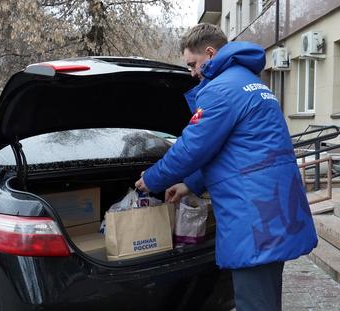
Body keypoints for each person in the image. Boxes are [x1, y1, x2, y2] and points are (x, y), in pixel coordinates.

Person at [135, 23, 318, 311]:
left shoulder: (221, 90)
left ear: (209, 53)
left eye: (192, 64)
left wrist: (152, 179)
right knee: (266, 297)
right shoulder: (249, 82)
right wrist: (190, 184)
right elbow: (235, 150)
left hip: (253, 215)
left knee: (254, 303)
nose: (192, 73)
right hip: (273, 209)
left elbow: (193, 147)